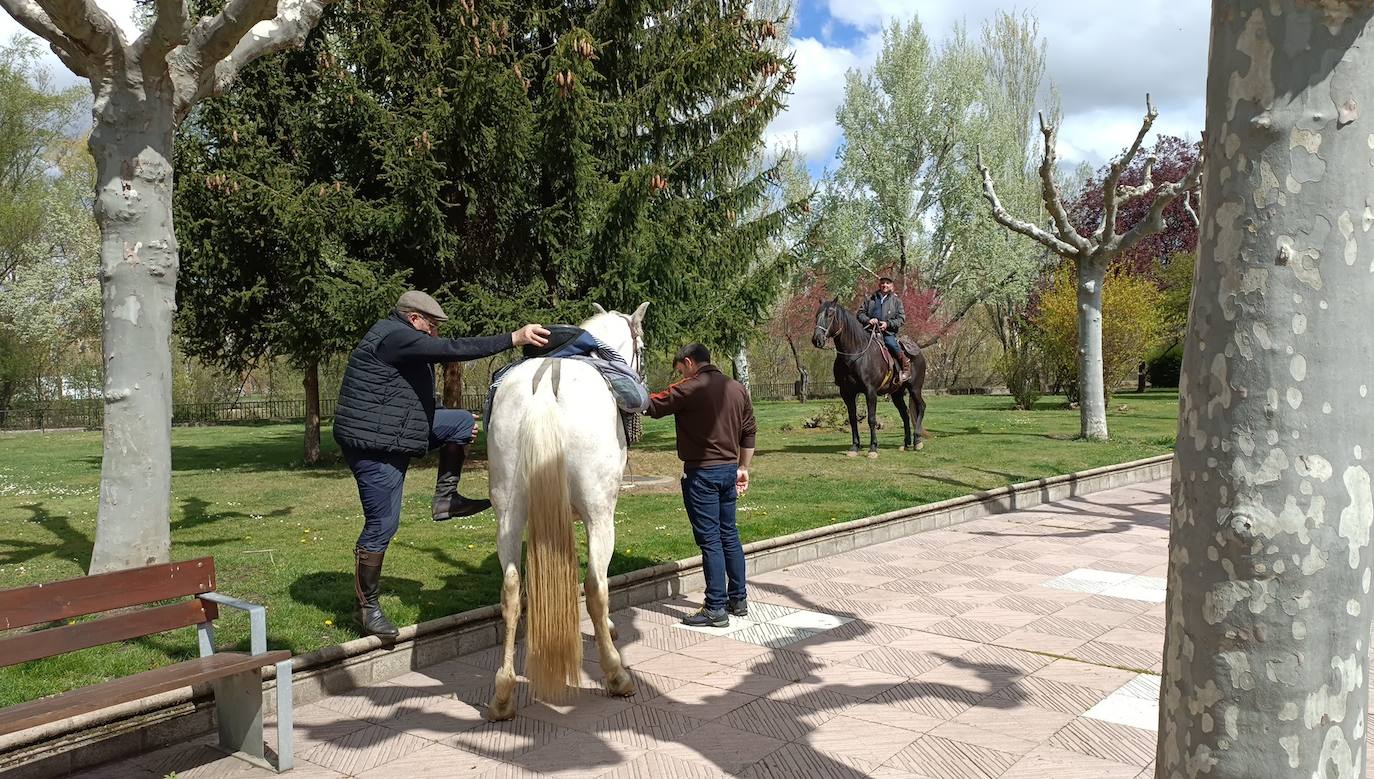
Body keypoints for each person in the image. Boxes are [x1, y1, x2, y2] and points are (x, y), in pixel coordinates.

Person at [334, 290, 549, 637]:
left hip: (398, 426)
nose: (433, 333)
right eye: (431, 326)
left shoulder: (399, 335)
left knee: (462, 423)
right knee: (382, 526)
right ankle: (368, 609)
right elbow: (452, 350)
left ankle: (446, 498)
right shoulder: (396, 337)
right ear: (414, 319)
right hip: (376, 446)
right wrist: (514, 338)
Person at [646, 343, 757, 628]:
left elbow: (651, 404)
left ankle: (715, 608)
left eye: (681, 370)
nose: (680, 375)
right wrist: (743, 468)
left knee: (710, 540)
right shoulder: (736, 388)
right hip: (728, 471)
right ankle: (739, 599)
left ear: (689, 362)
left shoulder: (689, 388)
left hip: (701, 475)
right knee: (729, 535)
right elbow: (749, 431)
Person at [858, 275, 910, 382]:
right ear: (879, 285)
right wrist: (868, 320)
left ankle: (905, 367)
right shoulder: (870, 299)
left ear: (891, 285)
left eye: (887, 283)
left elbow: (901, 319)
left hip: (887, 333)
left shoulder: (896, 301)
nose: (884, 285)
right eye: (882, 283)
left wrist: (887, 324)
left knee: (892, 344)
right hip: (868, 331)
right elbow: (860, 313)